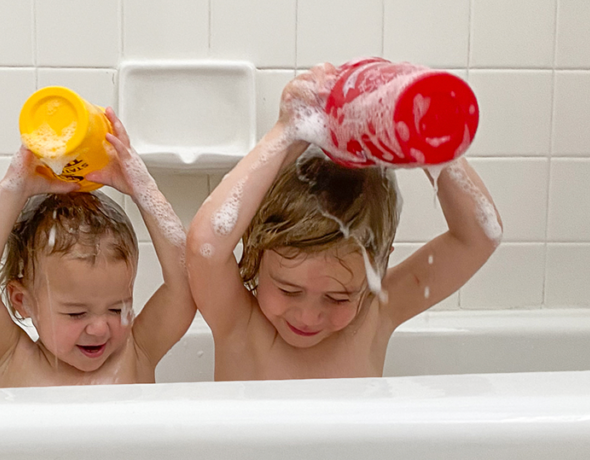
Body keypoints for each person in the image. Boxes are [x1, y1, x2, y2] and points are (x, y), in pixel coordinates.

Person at [186, 63, 502, 380]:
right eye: (288, 290)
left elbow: (478, 238)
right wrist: (288, 131)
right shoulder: (239, 322)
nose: (308, 316)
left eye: (338, 298)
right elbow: (204, 247)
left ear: (377, 268)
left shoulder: (377, 312)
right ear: (255, 249)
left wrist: (431, 141)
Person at [0, 107, 195, 387]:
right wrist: (14, 188)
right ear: (23, 302)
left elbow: (186, 283)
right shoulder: (12, 358)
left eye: (117, 309)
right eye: (76, 313)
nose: (99, 328)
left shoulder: (137, 351)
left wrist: (144, 189)